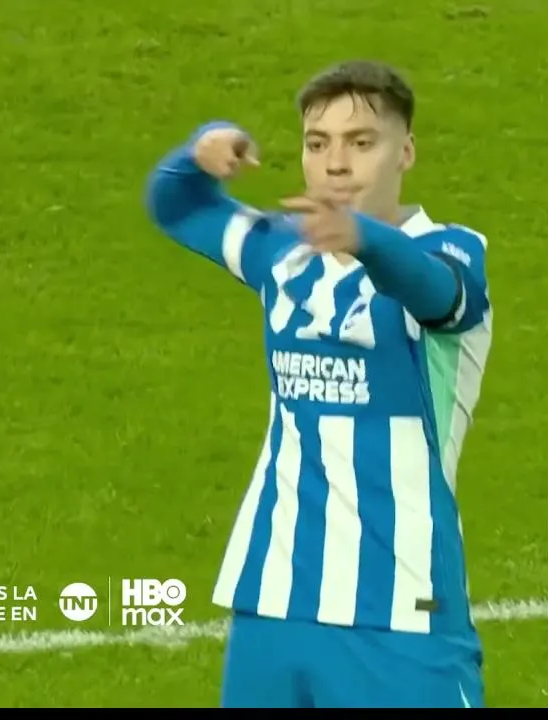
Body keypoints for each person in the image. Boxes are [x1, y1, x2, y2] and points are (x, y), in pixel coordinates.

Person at [143, 60, 493, 708]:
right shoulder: (281, 252)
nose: (336, 164)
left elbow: (436, 292)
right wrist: (200, 152)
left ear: (405, 152)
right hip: (272, 599)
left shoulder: (452, 250)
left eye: (361, 142)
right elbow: (176, 206)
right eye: (317, 143)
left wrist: (365, 239)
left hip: (404, 609)